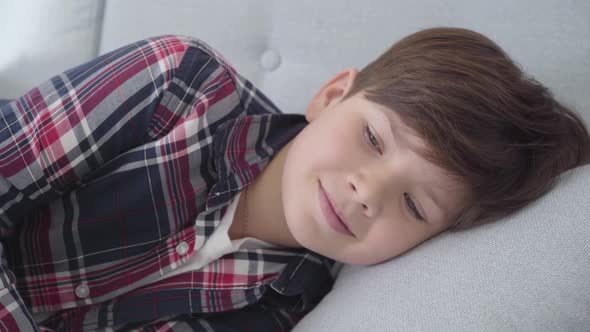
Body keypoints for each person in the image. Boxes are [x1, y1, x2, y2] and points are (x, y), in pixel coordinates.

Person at [0, 27, 588, 331]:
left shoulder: (284, 310)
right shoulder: (178, 85)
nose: (367, 191)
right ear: (333, 95)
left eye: (413, 205)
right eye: (373, 139)